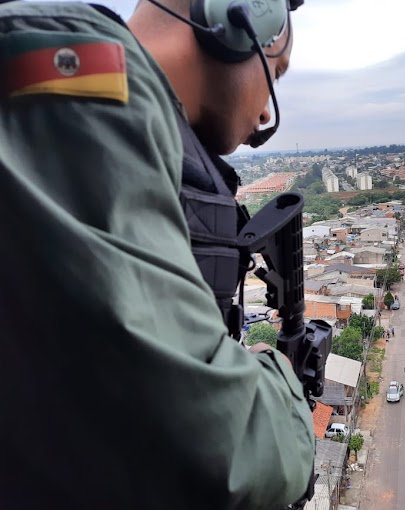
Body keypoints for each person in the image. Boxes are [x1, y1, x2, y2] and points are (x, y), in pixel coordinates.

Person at [0, 1, 313, 509]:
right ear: (233, 22)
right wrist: (278, 385)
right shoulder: (82, 93)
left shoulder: (118, 118)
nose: (264, 114)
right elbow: (209, 442)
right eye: (274, 73)